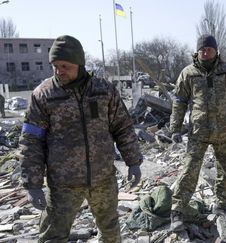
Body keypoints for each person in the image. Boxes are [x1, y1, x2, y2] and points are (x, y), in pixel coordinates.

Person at [19, 35, 143, 243]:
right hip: (63, 184)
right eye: (55, 66)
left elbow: (123, 127)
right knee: (53, 237)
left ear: (80, 63)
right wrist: (32, 183)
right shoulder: (43, 95)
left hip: (103, 179)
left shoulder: (103, 91)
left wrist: (133, 161)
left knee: (111, 234)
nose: (59, 71)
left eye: (65, 66)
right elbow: (31, 141)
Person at [169, 34, 226, 231]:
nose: (206, 52)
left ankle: (221, 206)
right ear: (197, 51)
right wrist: (175, 128)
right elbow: (179, 102)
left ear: (216, 51)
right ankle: (177, 210)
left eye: (209, 49)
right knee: (189, 169)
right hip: (199, 132)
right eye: (202, 49)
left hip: (224, 131)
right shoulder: (188, 73)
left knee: (225, 169)